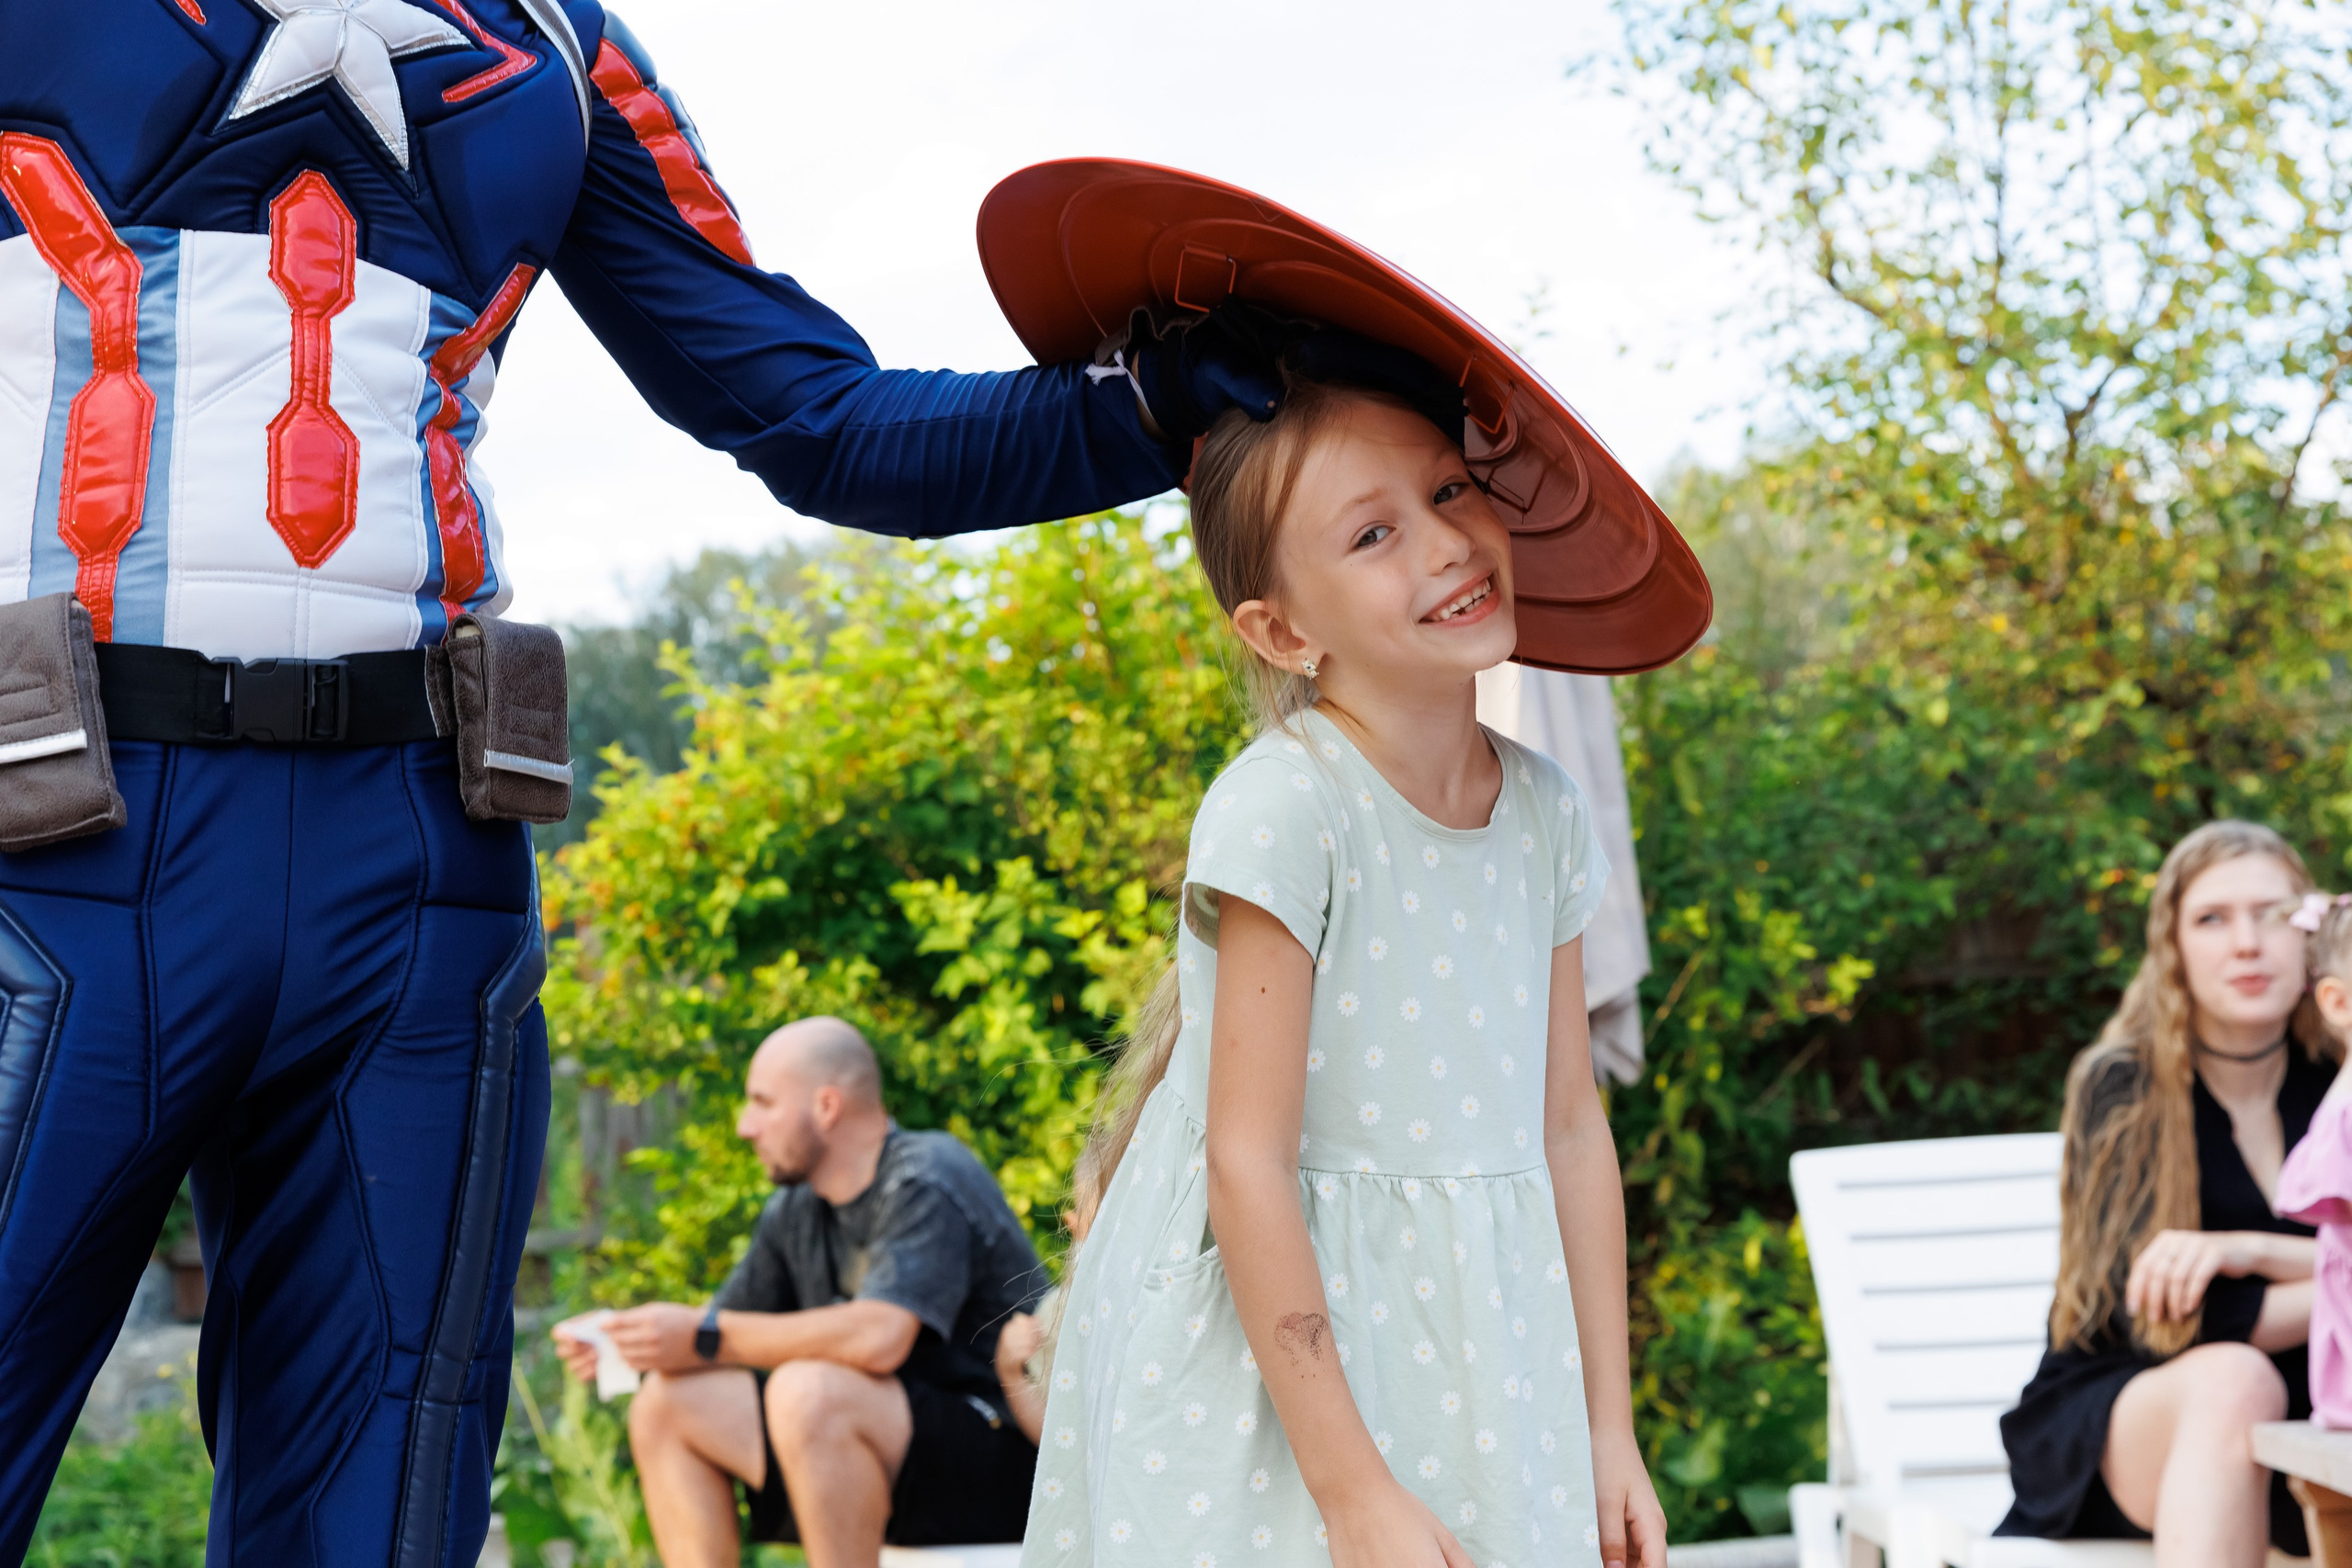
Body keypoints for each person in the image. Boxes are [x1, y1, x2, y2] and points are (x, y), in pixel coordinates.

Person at [0, 6, 1295, 1561]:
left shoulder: (548, 37)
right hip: (57, 837)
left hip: (414, 873)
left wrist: (1158, 407)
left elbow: (819, 416)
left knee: (383, 1520)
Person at [1018, 370, 1669, 1568]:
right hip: (1286, 1377)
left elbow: (1571, 1127)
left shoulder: (1545, 812)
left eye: (1450, 487)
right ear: (1281, 629)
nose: (1447, 541)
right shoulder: (1288, 807)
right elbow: (1245, 1160)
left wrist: (1606, 1427)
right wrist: (1353, 1487)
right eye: (1375, 531)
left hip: (1483, 1336)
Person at [557, 1017, 1046, 1567]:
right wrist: (635, 1339)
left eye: (762, 1103)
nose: (745, 1126)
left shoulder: (926, 1177)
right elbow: (719, 1336)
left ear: (827, 1107)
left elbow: (880, 1338)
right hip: (880, 1455)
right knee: (667, 1403)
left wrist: (702, 1334)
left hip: (1008, 1460)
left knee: (809, 1392)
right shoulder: (796, 1211)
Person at [1997, 820, 2335, 1564]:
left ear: (2313, 934)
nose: (2247, 942)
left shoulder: (2340, 1081)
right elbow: (2162, 1321)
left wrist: (2245, 1249)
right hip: (2135, 1406)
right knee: (2232, 1378)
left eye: (2274, 914)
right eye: (2213, 918)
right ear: (2173, 947)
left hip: (2316, 1421)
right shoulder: (2125, 1086)